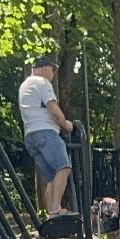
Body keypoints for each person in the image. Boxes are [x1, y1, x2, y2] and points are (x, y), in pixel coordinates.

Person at [18, 55, 77, 217]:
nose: (53, 74)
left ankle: (52, 215)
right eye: (53, 69)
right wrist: (66, 125)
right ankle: (57, 208)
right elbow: (53, 108)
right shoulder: (42, 82)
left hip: (30, 136)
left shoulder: (25, 86)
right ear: (44, 68)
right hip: (46, 132)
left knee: (51, 177)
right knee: (64, 168)